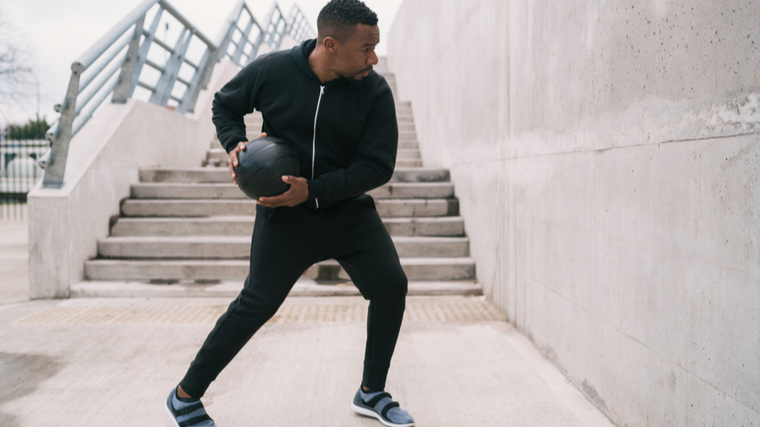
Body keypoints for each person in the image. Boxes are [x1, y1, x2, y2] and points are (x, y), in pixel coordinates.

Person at [164, 1, 414, 426]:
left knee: (391, 287)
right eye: (366, 48)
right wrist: (234, 143)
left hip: (348, 212)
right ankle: (185, 396)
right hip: (284, 215)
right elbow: (225, 104)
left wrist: (313, 190)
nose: (373, 58)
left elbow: (378, 166)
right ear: (330, 44)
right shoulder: (272, 71)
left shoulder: (374, 90)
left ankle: (372, 393)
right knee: (255, 304)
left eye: (376, 48)